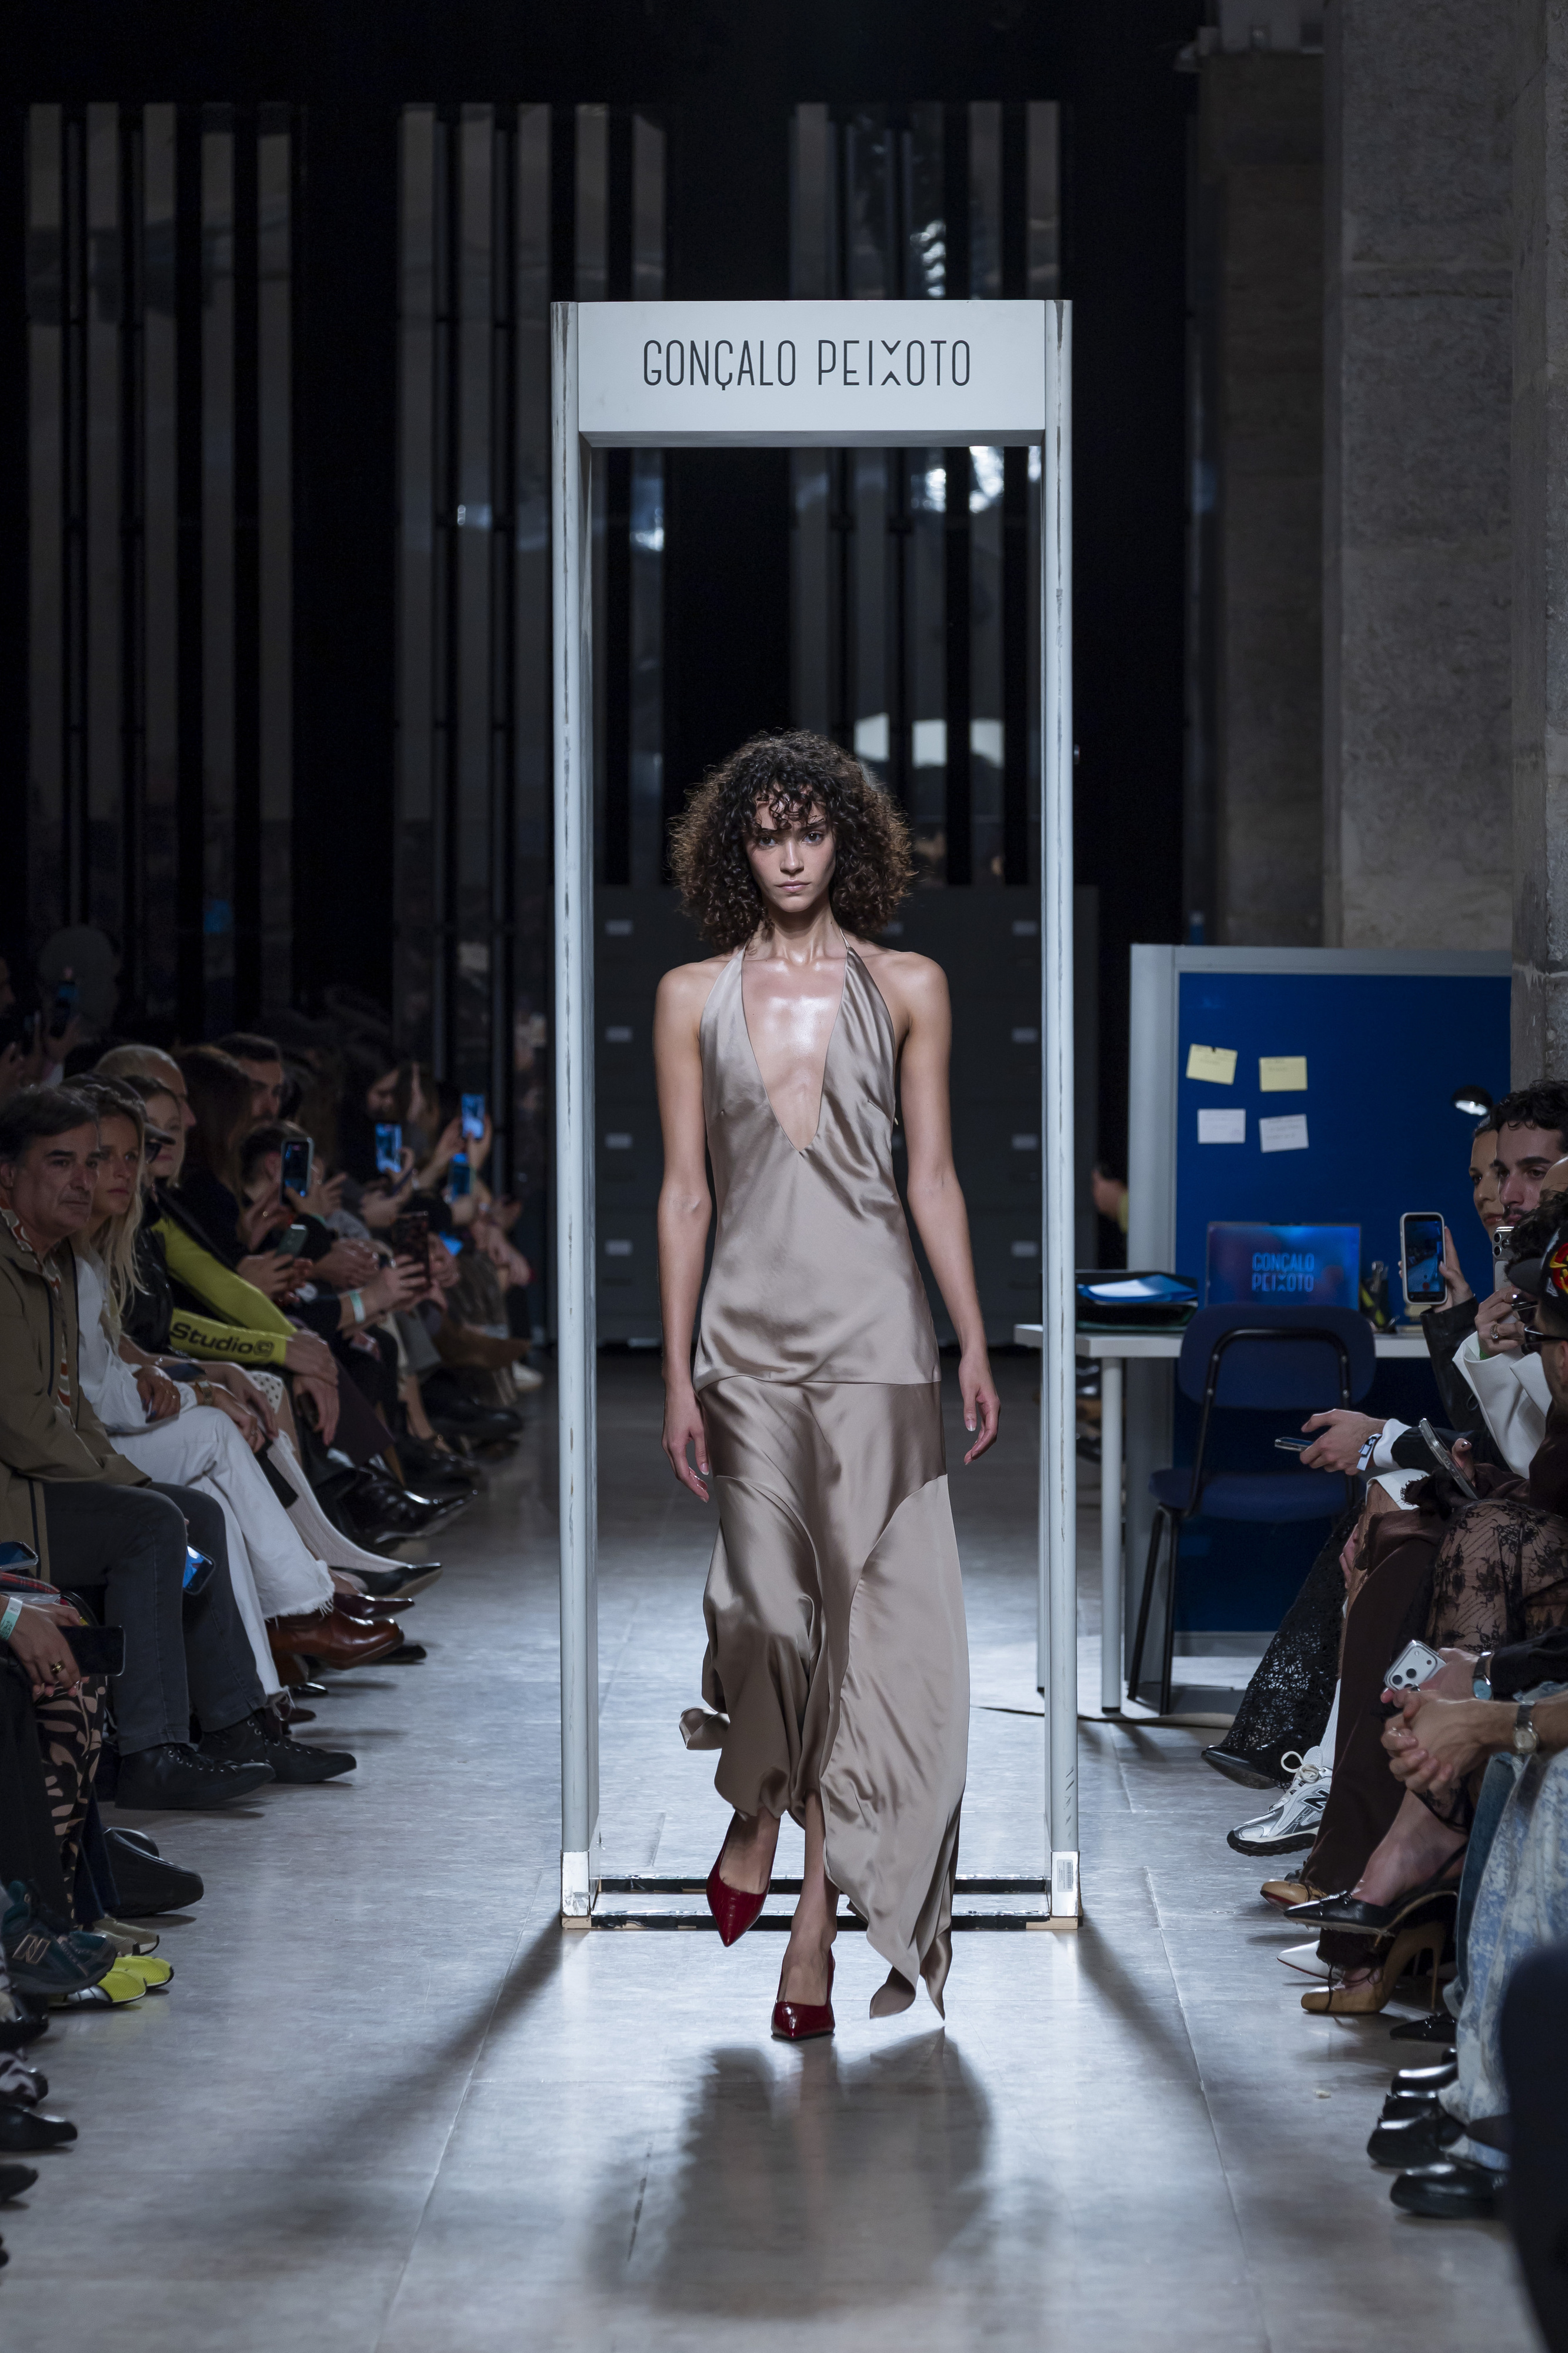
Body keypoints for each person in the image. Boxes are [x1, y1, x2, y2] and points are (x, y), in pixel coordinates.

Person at [655, 730, 999, 2037]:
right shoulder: (690, 995)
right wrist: (678, 1368)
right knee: (767, 1619)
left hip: (878, 1343)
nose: (790, 856)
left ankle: (813, 1933)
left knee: (862, 1651)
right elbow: (684, 1195)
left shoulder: (908, 984)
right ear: (734, 850)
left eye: (810, 831)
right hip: (743, 1346)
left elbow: (933, 1177)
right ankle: (754, 1803)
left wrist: (971, 1339)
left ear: (846, 840)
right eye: (767, 835)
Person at [0, 1088, 272, 1809]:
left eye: (90, 1163)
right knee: (153, 1522)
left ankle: (235, 1726)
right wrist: (129, 1486)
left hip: (36, 1484)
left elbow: (76, 1413)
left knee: (192, 1514)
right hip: (12, 1499)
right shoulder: (7, 1266)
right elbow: (23, 1426)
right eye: (60, 1162)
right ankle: (152, 1753)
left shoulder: (53, 1260)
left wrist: (129, 1479)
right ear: (8, 1174)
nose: (83, 1181)